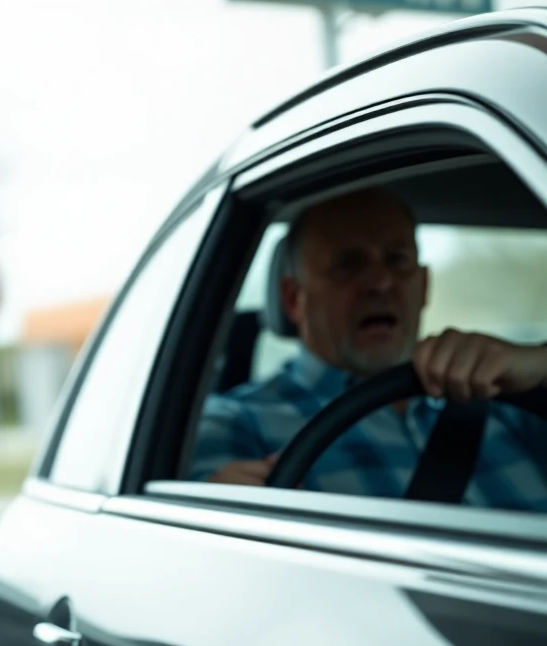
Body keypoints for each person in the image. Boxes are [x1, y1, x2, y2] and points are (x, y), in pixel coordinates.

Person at [191, 188, 547, 510]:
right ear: (293, 298)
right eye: (348, 264)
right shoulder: (235, 421)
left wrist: (540, 361)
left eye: (397, 260)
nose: (380, 282)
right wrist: (219, 506)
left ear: (423, 286)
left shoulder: (509, 404)